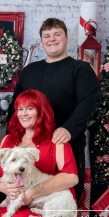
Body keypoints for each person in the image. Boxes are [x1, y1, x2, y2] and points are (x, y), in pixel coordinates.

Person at [7, 18, 98, 204]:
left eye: (57, 34)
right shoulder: (30, 70)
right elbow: (16, 106)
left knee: (63, 202)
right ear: (42, 41)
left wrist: (69, 129)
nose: (52, 39)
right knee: (25, 201)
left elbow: (87, 103)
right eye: (47, 36)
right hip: (30, 151)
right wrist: (12, 136)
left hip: (65, 146)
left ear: (66, 38)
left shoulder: (80, 69)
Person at [0, 89, 79, 217]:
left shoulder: (56, 140)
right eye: (20, 109)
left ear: (41, 111)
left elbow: (71, 178)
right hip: (17, 203)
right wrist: (3, 187)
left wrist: (32, 192)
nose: (24, 113)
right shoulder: (8, 140)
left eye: (30, 108)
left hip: (53, 208)